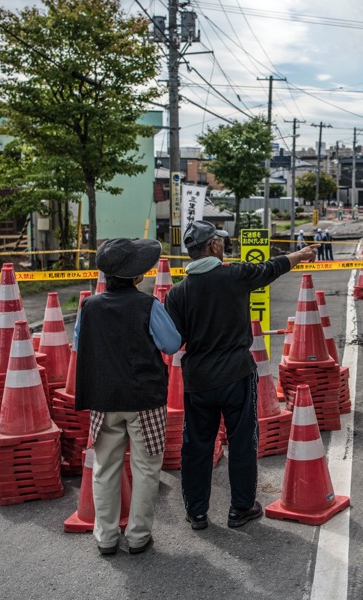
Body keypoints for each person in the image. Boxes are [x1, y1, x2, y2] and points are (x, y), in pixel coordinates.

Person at [165, 220, 318, 530]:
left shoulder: (178, 293)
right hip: (236, 374)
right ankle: (241, 508)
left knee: (196, 446)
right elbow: (271, 268)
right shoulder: (233, 275)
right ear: (211, 246)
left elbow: (174, 341)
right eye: (219, 241)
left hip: (198, 381)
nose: (223, 244)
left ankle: (196, 512)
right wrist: (301, 256)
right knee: (242, 441)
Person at [74, 238, 182, 555]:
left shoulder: (89, 306)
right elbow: (172, 344)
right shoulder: (148, 306)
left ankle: (106, 537)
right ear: (137, 276)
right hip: (144, 399)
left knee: (105, 468)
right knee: (146, 468)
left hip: (104, 398)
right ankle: (137, 536)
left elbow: (81, 346)